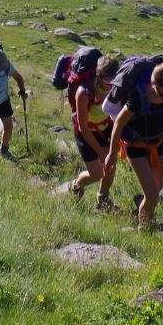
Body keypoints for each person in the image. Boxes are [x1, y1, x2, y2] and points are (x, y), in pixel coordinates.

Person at [103, 60, 163, 227]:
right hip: (136, 145)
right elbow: (118, 124)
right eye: (162, 93)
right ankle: (145, 228)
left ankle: (144, 210)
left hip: (159, 143)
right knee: (153, 195)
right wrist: (111, 155)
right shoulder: (138, 96)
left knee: (156, 189)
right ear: (152, 83)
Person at [68, 55, 121, 209]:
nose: (111, 87)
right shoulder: (84, 93)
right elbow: (83, 127)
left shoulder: (117, 87)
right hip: (86, 132)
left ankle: (102, 200)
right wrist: (100, 152)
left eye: (114, 82)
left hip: (105, 128)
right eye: (107, 83)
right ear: (99, 77)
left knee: (110, 167)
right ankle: (76, 185)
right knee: (97, 174)